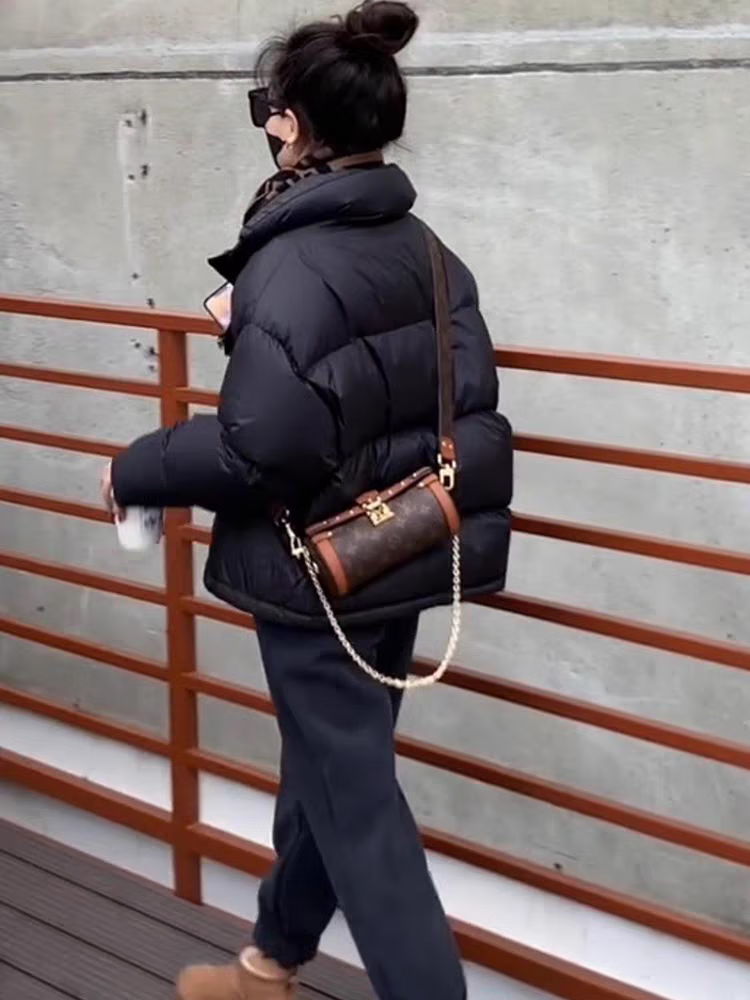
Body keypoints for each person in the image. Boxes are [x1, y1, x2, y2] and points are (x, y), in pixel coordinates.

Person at [102, 2, 512, 997]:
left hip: (314, 569)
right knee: (330, 769)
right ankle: (269, 963)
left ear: (290, 124)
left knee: (356, 804)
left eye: (267, 110)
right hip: (398, 546)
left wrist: (138, 467)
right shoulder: (428, 250)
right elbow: (464, 401)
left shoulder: (288, 264)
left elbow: (260, 449)